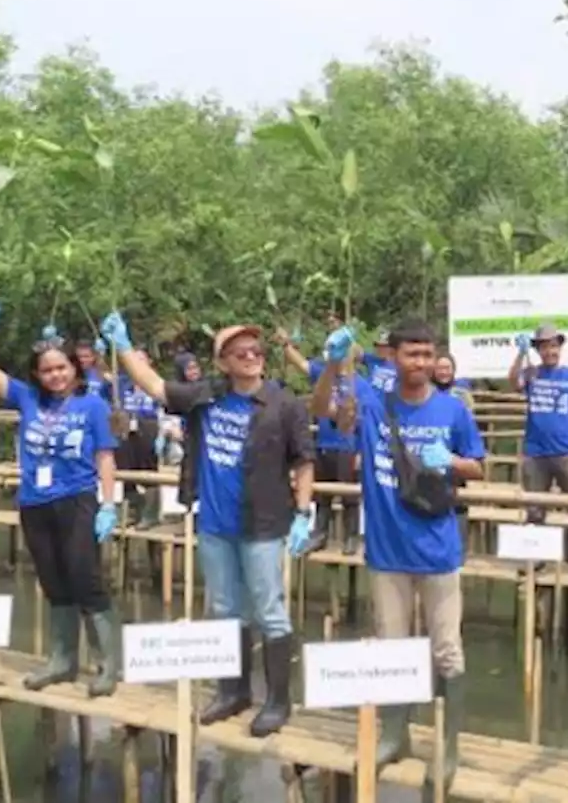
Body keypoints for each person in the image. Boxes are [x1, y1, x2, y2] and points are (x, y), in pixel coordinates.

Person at [100, 312, 317, 738]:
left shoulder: (283, 403)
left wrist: (304, 513)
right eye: (241, 353)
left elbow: (304, 460)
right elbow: (155, 386)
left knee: (270, 612)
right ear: (223, 363)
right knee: (224, 610)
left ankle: (277, 701)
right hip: (215, 524)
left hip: (264, 524)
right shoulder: (205, 397)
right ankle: (233, 692)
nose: (252, 357)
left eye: (256, 350)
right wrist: (123, 346)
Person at [311, 320, 485, 802]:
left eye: (428, 354)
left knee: (446, 649)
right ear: (394, 357)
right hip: (386, 551)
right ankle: (395, 733)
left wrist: (447, 458)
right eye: (412, 354)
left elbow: (477, 464)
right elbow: (323, 410)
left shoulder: (452, 408)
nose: (421, 363)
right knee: (392, 646)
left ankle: (446, 745)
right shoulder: (369, 401)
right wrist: (331, 362)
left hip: (438, 549)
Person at [0, 293, 122, 696]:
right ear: (37, 375)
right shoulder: (28, 399)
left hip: (77, 500)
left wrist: (108, 504)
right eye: (47, 370)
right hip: (35, 503)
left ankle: (107, 664)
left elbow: (105, 456)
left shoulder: (91, 405)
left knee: (84, 577)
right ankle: (62, 660)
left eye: (61, 368)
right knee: (53, 580)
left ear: (74, 369)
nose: (55, 375)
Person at [508, 322, 568, 579]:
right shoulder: (532, 373)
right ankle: (536, 557)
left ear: (560, 347)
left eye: (553, 345)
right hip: (536, 452)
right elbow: (514, 381)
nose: (550, 351)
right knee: (535, 508)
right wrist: (521, 354)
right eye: (544, 346)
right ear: (538, 350)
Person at [276, 327, 365, 555]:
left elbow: (365, 422)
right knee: (322, 495)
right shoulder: (323, 374)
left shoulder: (361, 384)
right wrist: (286, 345)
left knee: (349, 496)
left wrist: (361, 453)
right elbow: (301, 363)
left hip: (348, 446)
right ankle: (320, 533)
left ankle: (351, 536)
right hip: (324, 444)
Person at [432, 351, 475, 546]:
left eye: (447, 368)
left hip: (456, 453)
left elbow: (469, 423)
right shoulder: (427, 392)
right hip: (430, 455)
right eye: (440, 368)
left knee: (458, 502)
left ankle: (460, 547)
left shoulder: (462, 394)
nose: (443, 372)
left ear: (453, 371)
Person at [116, 358, 162, 527]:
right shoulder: (123, 384)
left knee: (149, 471)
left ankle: (151, 514)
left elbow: (165, 408)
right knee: (126, 469)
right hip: (127, 428)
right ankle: (133, 511)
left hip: (149, 427)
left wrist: (164, 432)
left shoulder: (156, 384)